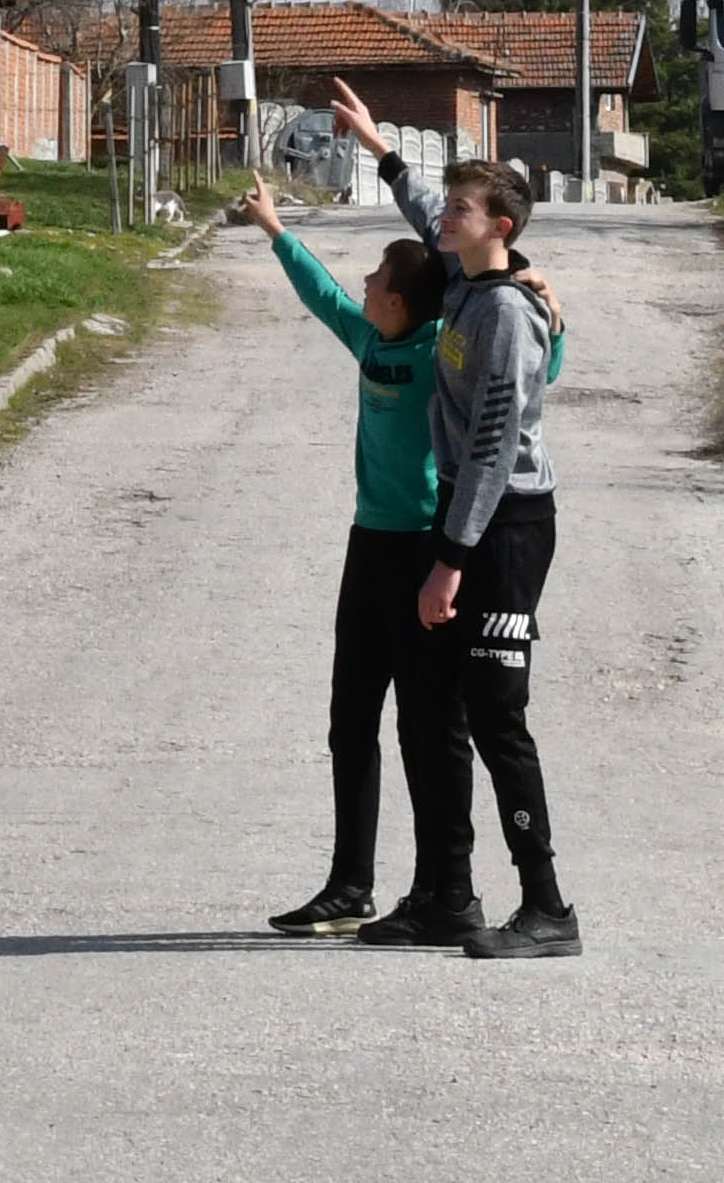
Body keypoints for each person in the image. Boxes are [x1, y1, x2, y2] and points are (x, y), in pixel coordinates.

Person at [329, 85, 578, 960]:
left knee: (498, 717)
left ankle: (548, 908)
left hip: (506, 526)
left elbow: (493, 446)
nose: (447, 217)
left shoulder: (507, 314)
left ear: (500, 226)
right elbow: (424, 204)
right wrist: (378, 148)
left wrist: (451, 559)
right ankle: (446, 899)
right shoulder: (469, 281)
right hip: (472, 522)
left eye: (464, 209)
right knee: (446, 708)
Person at [232, 168, 450, 937]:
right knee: (348, 719)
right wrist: (276, 231)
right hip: (369, 544)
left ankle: (436, 890)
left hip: (426, 551)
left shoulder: (443, 351)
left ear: (399, 299)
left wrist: (551, 330)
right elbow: (323, 295)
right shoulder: (371, 336)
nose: (362, 282)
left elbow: (531, 377)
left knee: (422, 730)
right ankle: (349, 885)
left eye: (376, 277)